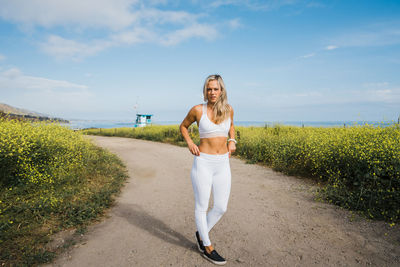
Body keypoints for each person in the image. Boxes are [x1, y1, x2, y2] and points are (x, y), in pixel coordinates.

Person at [180, 74, 236, 265]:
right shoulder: (197, 110)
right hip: (203, 162)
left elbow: (232, 128)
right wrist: (189, 142)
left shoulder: (229, 110)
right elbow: (183, 126)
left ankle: (201, 233)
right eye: (209, 89)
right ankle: (207, 246)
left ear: (222, 90)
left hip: (223, 164)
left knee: (221, 207)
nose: (212, 92)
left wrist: (232, 141)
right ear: (205, 91)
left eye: (215, 89)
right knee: (201, 207)